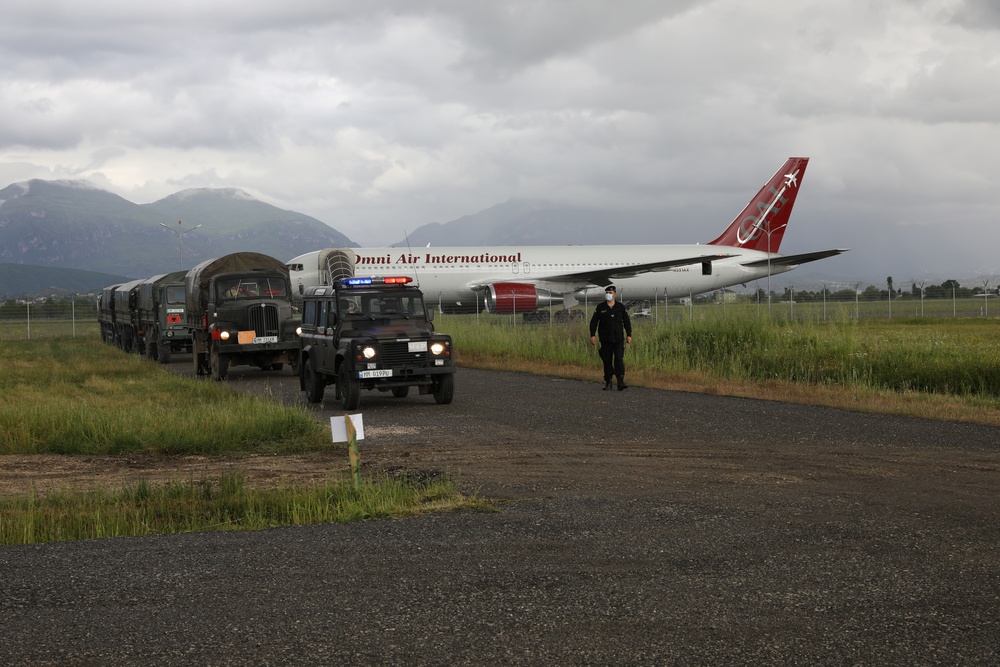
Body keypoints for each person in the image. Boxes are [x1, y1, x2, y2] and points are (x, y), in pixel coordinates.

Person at [589, 285, 632, 390]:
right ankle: (608, 381)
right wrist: (592, 335)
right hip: (605, 339)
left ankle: (620, 381)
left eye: (610, 293)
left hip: (618, 339)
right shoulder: (601, 307)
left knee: (618, 359)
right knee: (607, 361)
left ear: (615, 294)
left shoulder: (620, 307)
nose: (608, 295)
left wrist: (629, 335)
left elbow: (626, 322)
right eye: (607, 293)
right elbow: (594, 322)